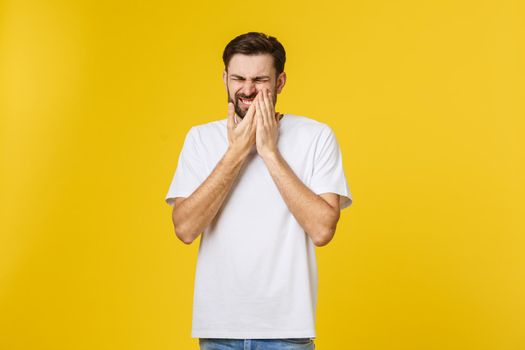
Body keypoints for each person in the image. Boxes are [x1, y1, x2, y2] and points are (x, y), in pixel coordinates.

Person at [165, 32, 353, 350]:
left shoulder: (316, 136)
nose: (248, 89)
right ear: (225, 78)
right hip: (219, 331)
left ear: (280, 82)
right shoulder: (200, 139)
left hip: (288, 331)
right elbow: (184, 228)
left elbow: (323, 229)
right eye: (238, 78)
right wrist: (236, 152)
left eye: (260, 79)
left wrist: (269, 152)